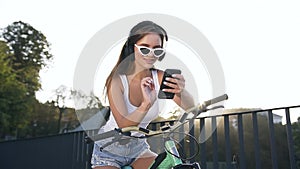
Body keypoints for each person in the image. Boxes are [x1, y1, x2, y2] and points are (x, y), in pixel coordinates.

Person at [91, 20, 195, 169]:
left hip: (139, 150)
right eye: (145, 49)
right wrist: (145, 104)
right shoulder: (117, 81)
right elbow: (124, 125)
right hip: (109, 149)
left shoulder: (159, 77)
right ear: (132, 48)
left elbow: (190, 107)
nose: (151, 55)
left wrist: (181, 91)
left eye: (157, 50)